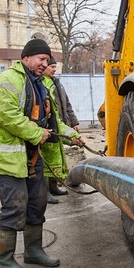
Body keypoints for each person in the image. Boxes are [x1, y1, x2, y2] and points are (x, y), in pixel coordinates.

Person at [0, 39, 83, 268]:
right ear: (25, 58)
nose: (44, 64)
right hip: (7, 159)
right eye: (41, 59)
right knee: (14, 207)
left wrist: (69, 135)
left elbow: (51, 118)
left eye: (47, 60)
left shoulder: (41, 83)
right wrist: (36, 133)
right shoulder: (7, 80)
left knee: (37, 203)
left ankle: (33, 251)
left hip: (31, 157)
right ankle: (4, 261)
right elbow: (7, 116)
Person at [42, 56, 81, 203]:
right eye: (51, 67)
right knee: (47, 160)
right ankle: (44, 191)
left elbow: (67, 105)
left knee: (56, 158)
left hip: (59, 123)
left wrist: (74, 122)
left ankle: (53, 187)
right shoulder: (42, 85)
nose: (54, 69)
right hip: (48, 125)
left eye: (54, 67)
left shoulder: (57, 83)